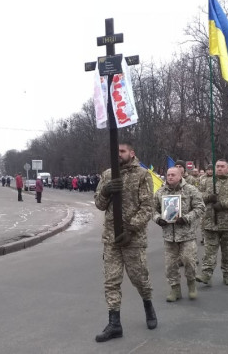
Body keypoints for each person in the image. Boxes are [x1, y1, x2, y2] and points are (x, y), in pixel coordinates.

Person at [94, 141, 157, 343]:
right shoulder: (107, 175)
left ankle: (148, 305)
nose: (118, 154)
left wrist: (131, 228)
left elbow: (148, 207)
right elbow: (99, 204)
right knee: (111, 281)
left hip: (133, 238)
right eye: (116, 151)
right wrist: (106, 191)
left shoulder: (142, 175)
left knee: (139, 278)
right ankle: (114, 324)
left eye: (122, 151)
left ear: (132, 153)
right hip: (111, 239)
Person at [153, 167, 205, 302]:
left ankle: (191, 285)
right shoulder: (160, 192)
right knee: (170, 264)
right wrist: (158, 219)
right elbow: (152, 209)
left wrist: (186, 218)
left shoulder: (190, 190)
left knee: (189, 261)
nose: (170, 177)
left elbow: (200, 207)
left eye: (173, 175)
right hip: (169, 235)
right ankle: (175, 289)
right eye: (168, 174)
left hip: (187, 234)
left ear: (180, 175)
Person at [196, 159, 228, 286]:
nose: (219, 169)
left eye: (222, 166)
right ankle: (206, 274)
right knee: (209, 251)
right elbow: (197, 195)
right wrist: (208, 197)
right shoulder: (206, 181)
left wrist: (223, 204)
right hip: (210, 222)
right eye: (217, 166)